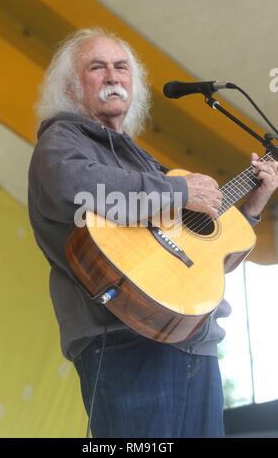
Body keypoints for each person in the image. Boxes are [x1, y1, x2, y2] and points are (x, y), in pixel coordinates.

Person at [28, 27, 278, 438]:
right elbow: (75, 190)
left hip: (193, 340)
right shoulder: (61, 141)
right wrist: (179, 189)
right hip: (122, 340)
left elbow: (191, 257)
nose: (113, 76)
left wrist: (250, 208)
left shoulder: (141, 160)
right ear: (72, 86)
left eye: (122, 67)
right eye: (98, 67)